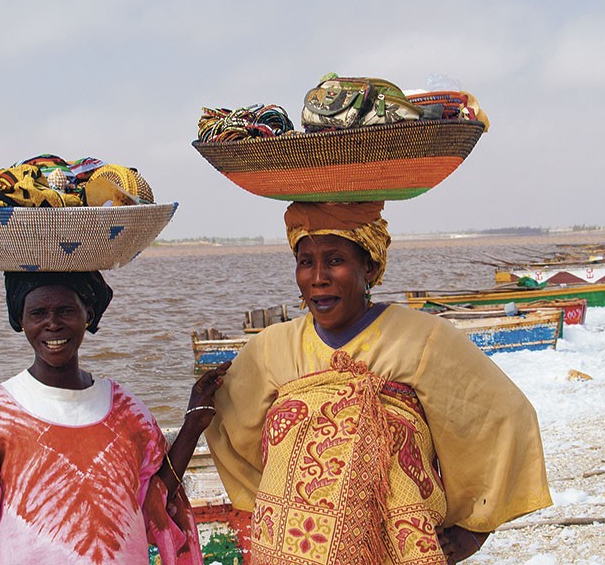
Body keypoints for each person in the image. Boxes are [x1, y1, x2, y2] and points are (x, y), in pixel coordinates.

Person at [205, 202, 551, 565]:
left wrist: (472, 531)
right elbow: (228, 427)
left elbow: (501, 417)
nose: (317, 277)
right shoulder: (271, 348)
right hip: (292, 552)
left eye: (335, 260)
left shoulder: (420, 338)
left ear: (368, 266)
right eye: (306, 261)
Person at [0, 271, 227, 565]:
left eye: (65, 310)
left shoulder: (129, 412)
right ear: (21, 320)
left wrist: (192, 427)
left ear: (87, 314)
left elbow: (154, 503)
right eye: (38, 313)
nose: (52, 323)